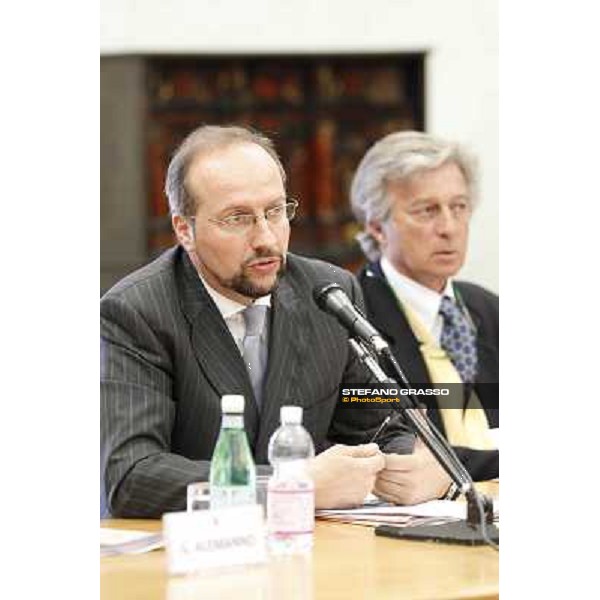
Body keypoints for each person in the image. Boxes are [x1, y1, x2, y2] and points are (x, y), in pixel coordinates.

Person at [101, 125, 453, 518]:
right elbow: (131, 476)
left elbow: (379, 423)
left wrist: (417, 461)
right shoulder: (137, 312)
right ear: (185, 229)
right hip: (187, 561)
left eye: (275, 211)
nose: (267, 238)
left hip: (310, 553)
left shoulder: (329, 293)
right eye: (238, 218)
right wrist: (291, 485)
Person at [350, 131, 499, 492]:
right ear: (377, 227)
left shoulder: (487, 308)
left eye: (459, 207)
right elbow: (403, 452)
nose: (448, 228)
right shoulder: (353, 315)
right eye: (426, 211)